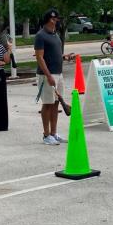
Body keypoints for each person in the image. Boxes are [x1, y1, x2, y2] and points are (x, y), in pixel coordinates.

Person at [35, 9, 75, 145]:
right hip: (47, 74)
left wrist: (64, 56)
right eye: (55, 19)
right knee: (47, 104)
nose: (57, 21)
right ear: (49, 20)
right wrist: (48, 76)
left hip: (58, 73)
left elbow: (53, 53)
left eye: (57, 19)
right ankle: (46, 135)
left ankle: (54, 133)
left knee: (56, 103)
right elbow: (40, 58)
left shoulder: (55, 34)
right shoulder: (41, 35)